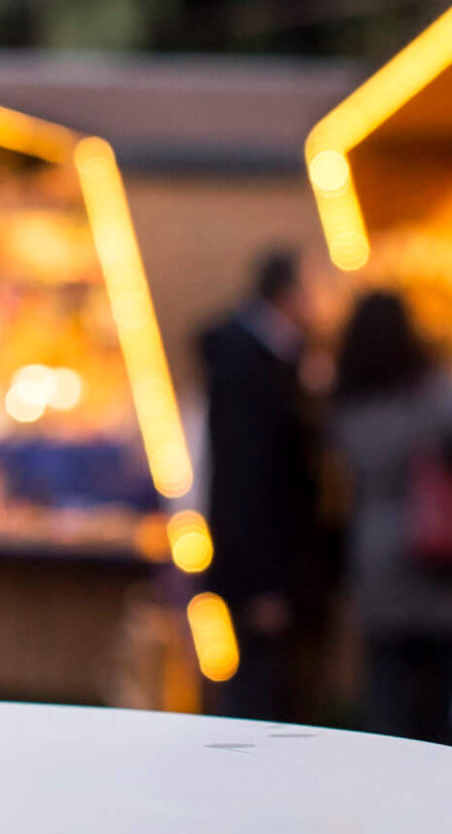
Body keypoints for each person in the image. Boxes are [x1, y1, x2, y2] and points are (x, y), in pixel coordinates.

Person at [332, 289, 452, 747]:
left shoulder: (345, 401)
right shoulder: (438, 391)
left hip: (374, 557)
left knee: (388, 702)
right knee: (449, 704)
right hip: (443, 555)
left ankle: (391, 807)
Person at [197, 245, 329, 722]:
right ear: (289, 294)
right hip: (264, 566)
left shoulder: (276, 358)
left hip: (270, 563)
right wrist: (263, 582)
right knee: (260, 694)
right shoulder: (250, 366)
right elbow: (248, 477)